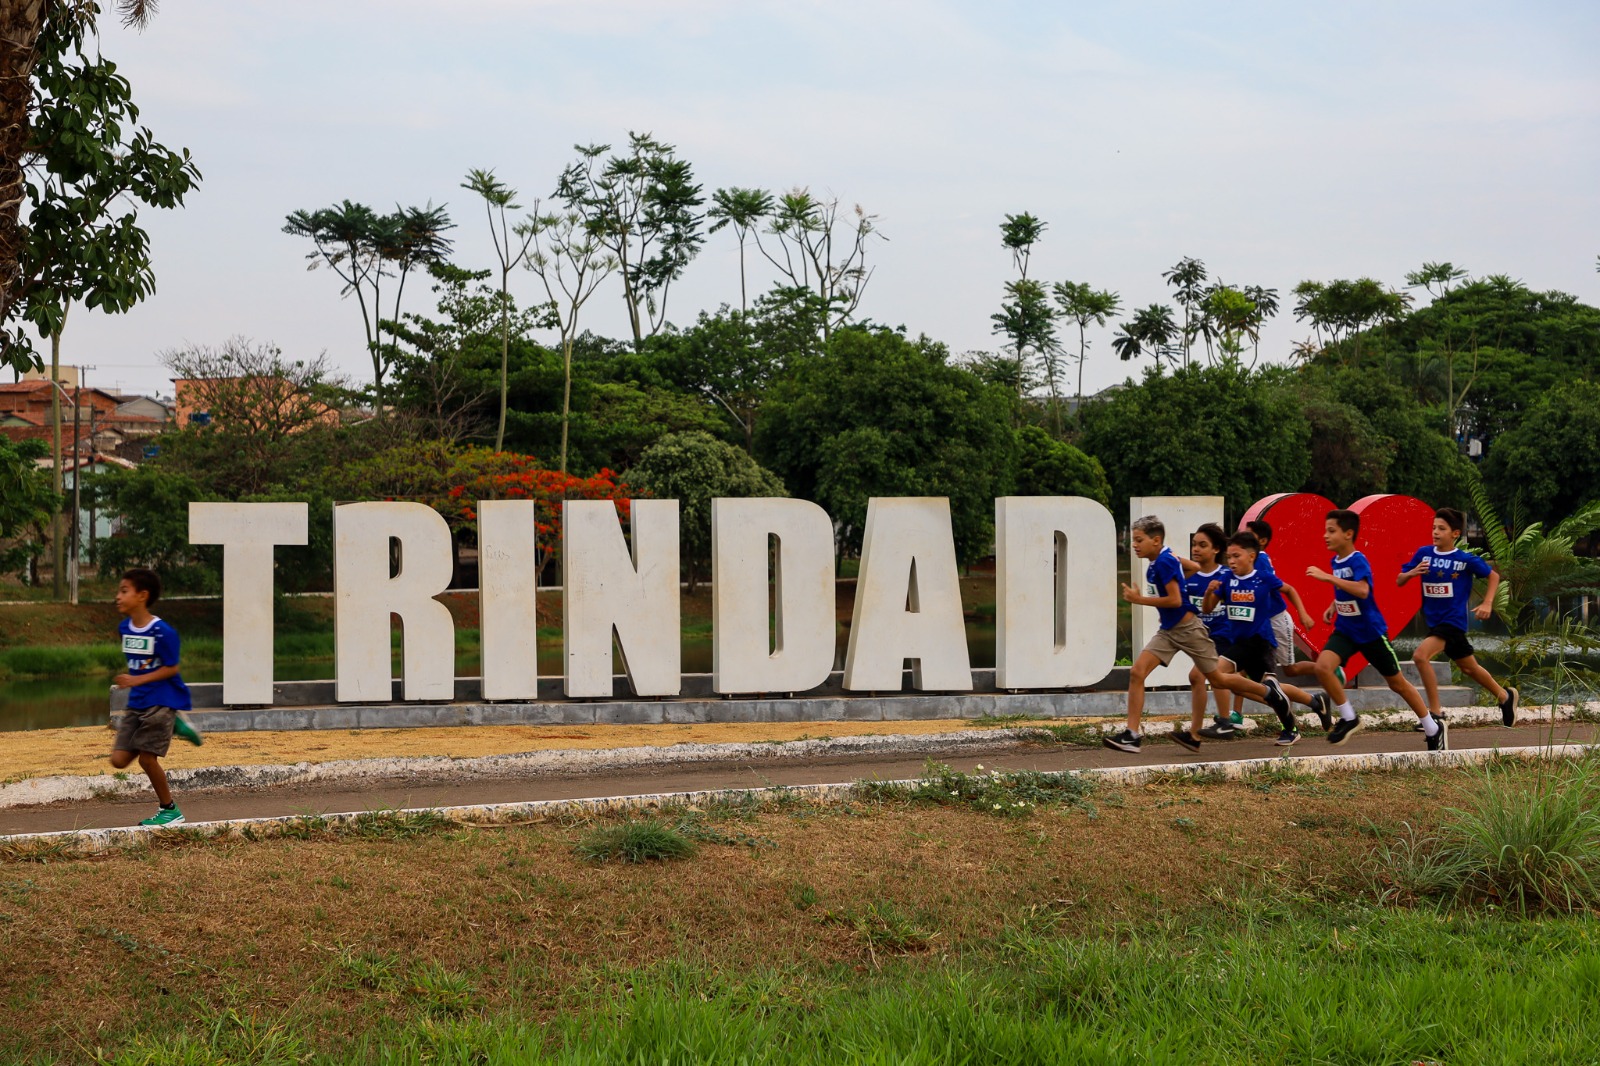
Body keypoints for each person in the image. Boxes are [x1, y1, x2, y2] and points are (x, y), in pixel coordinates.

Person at [1107, 516, 1296, 755]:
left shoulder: (1165, 561)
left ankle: (1269, 692)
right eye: (1133, 540)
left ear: (1155, 541)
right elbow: (1195, 568)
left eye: (1138, 540)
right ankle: (1132, 735)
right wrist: (1182, 568)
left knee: (1218, 679)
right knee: (1137, 672)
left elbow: (1175, 600)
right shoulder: (1165, 559)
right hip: (1168, 632)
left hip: (1189, 630)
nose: (1133, 545)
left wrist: (1139, 599)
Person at [1306, 509, 1444, 751]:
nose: (1325, 536)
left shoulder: (1358, 559)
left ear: (1348, 534)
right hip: (1346, 630)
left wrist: (1328, 578)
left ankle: (1433, 728)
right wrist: (1333, 606)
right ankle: (1349, 717)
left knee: (1397, 684)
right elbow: (1346, 590)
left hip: (1371, 633)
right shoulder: (1336, 560)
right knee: (1322, 667)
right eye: (1325, 531)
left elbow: (1362, 590)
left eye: (1331, 531)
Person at [1202, 531, 1334, 746]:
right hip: (1240, 643)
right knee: (1253, 686)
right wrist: (1209, 593)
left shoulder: (1263, 578)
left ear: (1252, 556)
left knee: (1219, 674)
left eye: (1237, 556)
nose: (1232, 561)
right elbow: (1208, 608)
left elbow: (1289, 589)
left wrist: (1303, 614)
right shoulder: (1226, 579)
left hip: (1260, 643)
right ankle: (1306, 709)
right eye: (1229, 557)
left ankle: (1279, 707)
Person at [1398, 507, 1519, 725]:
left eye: (1441, 529)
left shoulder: (1465, 560)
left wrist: (1488, 603)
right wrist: (1411, 573)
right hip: (1433, 622)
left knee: (1420, 656)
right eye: (1434, 528)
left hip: (1452, 622)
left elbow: (1493, 576)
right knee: (1468, 667)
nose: (1435, 532)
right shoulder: (1423, 554)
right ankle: (1505, 696)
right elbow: (1399, 580)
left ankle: (1435, 713)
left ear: (1455, 533)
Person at [110, 568, 202, 827]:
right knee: (118, 761)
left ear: (142, 595)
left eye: (124, 591)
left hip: (162, 700)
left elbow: (171, 668)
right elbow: (139, 663)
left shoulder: (163, 632)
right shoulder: (123, 628)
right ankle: (175, 726)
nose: (118, 596)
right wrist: (134, 681)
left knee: (146, 759)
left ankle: (170, 810)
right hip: (136, 703)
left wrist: (136, 680)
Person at [1185, 524, 1236, 736]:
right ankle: (1198, 732)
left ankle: (1220, 724)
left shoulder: (1227, 575)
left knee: (1199, 675)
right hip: (1201, 638)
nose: (1196, 549)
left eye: (1202, 545)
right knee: (1256, 685)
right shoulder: (1188, 576)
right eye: (1194, 545)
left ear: (1216, 549)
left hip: (1224, 635)